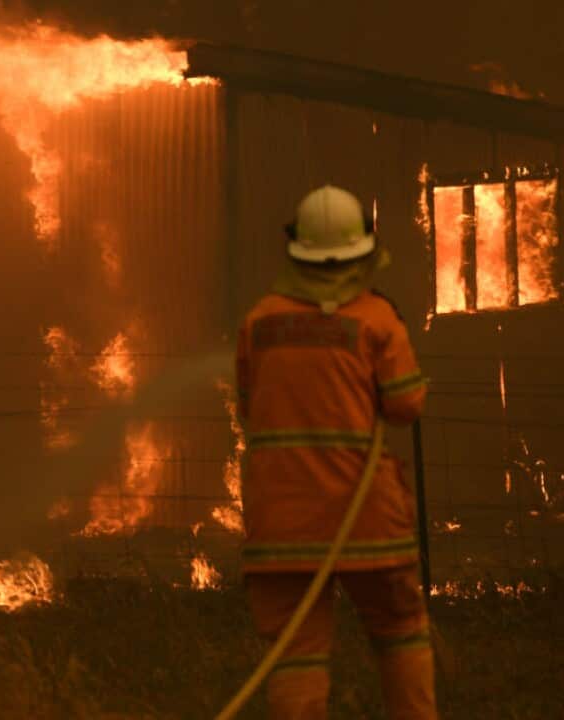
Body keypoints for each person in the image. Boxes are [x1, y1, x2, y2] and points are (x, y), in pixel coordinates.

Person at [234, 185, 435, 719]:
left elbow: (250, 406)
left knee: (295, 657)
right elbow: (406, 405)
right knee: (399, 631)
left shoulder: (260, 322)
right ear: (362, 250)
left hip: (282, 525)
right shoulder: (376, 320)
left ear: (296, 249)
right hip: (365, 519)